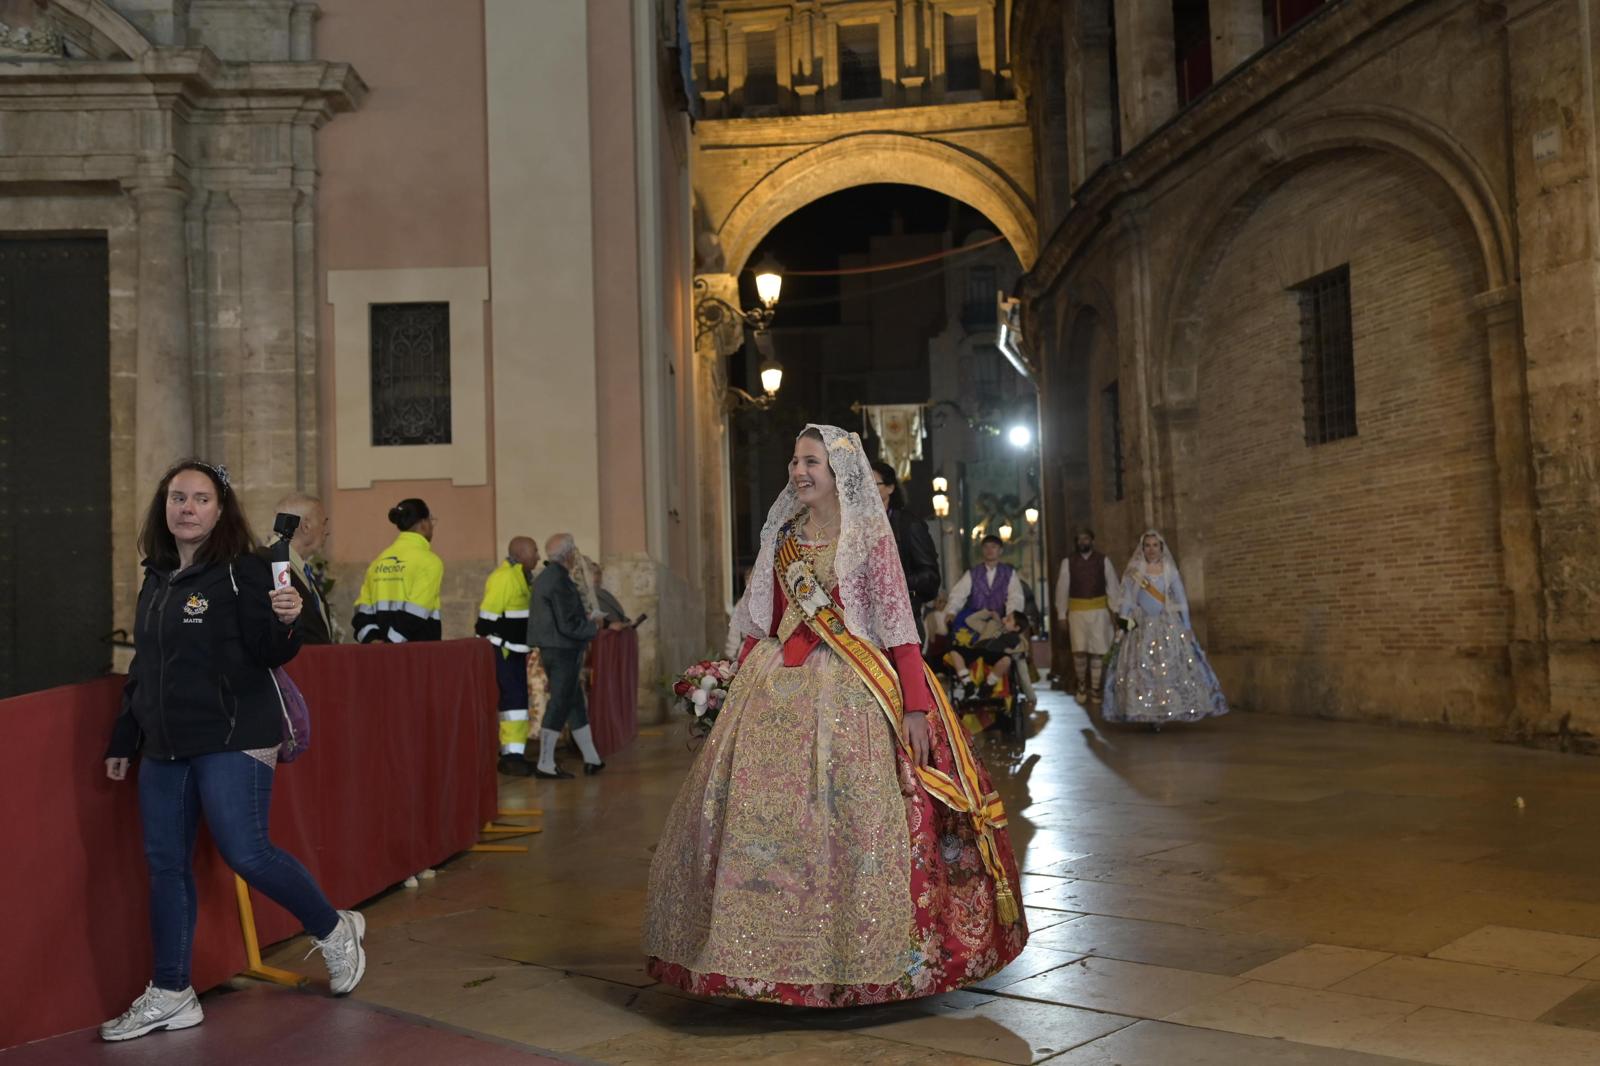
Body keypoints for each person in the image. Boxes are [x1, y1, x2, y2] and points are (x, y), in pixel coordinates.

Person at [643, 424, 1027, 1007]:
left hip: (854, 692)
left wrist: (916, 708)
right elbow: (760, 625)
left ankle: (852, 958)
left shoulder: (869, 539)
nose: (799, 472)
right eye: (795, 461)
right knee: (761, 821)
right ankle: (755, 957)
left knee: (850, 821)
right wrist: (730, 684)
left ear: (838, 472)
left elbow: (899, 633)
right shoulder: (783, 540)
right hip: (773, 689)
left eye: (811, 462)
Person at [100, 461, 365, 1042]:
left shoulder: (244, 569)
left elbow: (271, 648)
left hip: (234, 734)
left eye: (200, 498)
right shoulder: (157, 577)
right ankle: (172, 992)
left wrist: (289, 619)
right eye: (177, 497)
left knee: (247, 851)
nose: (187, 508)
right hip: (166, 745)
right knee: (166, 866)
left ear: (221, 510)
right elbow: (145, 663)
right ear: (164, 507)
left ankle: (333, 928)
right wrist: (125, 735)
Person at [1103, 529, 1229, 727]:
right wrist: (1122, 627)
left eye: (1155, 545)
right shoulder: (1134, 572)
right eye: (1147, 545)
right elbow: (1126, 602)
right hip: (1140, 626)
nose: (1151, 549)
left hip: (1167, 623)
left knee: (1168, 667)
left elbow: (1181, 599)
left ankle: (1166, 708)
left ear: (1161, 548)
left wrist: (1187, 626)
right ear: (1142, 548)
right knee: (1141, 668)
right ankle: (1145, 710)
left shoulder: (1169, 570)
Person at [526, 533, 612, 778]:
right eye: (574, 550)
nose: (576, 555)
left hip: (555, 647)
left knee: (574, 703)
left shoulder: (547, 577)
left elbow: (559, 617)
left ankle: (592, 759)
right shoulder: (559, 580)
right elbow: (567, 624)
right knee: (560, 703)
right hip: (562, 649)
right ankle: (545, 763)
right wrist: (593, 626)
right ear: (569, 554)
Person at [477, 537, 541, 777]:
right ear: (521, 554)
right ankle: (511, 757)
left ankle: (515, 754)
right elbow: (486, 617)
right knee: (513, 703)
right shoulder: (504, 577)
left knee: (517, 703)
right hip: (503, 650)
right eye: (534, 551)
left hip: (516, 650)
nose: (538, 556)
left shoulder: (522, 577)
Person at [352, 498, 443, 643]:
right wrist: (391, 647)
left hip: (381, 653)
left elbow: (362, 614)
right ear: (424, 523)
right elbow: (415, 615)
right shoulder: (430, 562)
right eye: (431, 520)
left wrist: (373, 641)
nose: (432, 526)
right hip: (419, 651)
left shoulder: (378, 562)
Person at [870, 460, 941, 641]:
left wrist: (895, 581)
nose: (867, 489)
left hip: (903, 619)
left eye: (873, 484)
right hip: (867, 621)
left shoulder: (909, 525)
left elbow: (931, 578)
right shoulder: (856, 525)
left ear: (890, 488)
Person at [1055, 528, 1120, 704]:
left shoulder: (1103, 560)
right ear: (1076, 542)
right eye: (1080, 539)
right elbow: (1062, 589)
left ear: (1092, 540)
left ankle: (1096, 688)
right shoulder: (1068, 562)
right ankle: (1082, 684)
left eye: (1086, 538)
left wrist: (1115, 610)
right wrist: (1061, 614)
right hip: (1077, 612)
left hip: (1099, 612)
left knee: (1098, 651)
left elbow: (1112, 586)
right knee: (1079, 650)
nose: (1083, 542)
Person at [259, 492, 335, 644]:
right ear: (306, 526)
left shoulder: (300, 568)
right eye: (324, 523)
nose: (327, 531)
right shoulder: (265, 564)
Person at [944, 533, 1024, 634]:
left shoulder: (1009, 573)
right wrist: (951, 611)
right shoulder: (973, 573)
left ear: (1000, 550)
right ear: (982, 550)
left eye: (993, 547)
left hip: (999, 623)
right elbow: (958, 594)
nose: (989, 550)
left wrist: (1010, 617)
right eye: (986, 547)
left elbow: (1015, 597)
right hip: (975, 623)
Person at [944, 609, 1030, 697]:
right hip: (979, 649)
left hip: (995, 654)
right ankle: (967, 682)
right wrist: (989, 613)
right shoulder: (992, 625)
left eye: (1008, 619)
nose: (1004, 619)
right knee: (954, 651)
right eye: (1006, 617)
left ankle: (988, 684)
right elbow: (969, 620)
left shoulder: (1016, 638)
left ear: (1016, 628)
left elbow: (1024, 647)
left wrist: (1018, 634)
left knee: (1007, 660)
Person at [587, 559, 631, 625]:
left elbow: (618, 611)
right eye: (594, 573)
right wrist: (609, 625)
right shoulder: (585, 595)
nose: (597, 576)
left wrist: (626, 620)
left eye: (599, 573)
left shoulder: (605, 593)